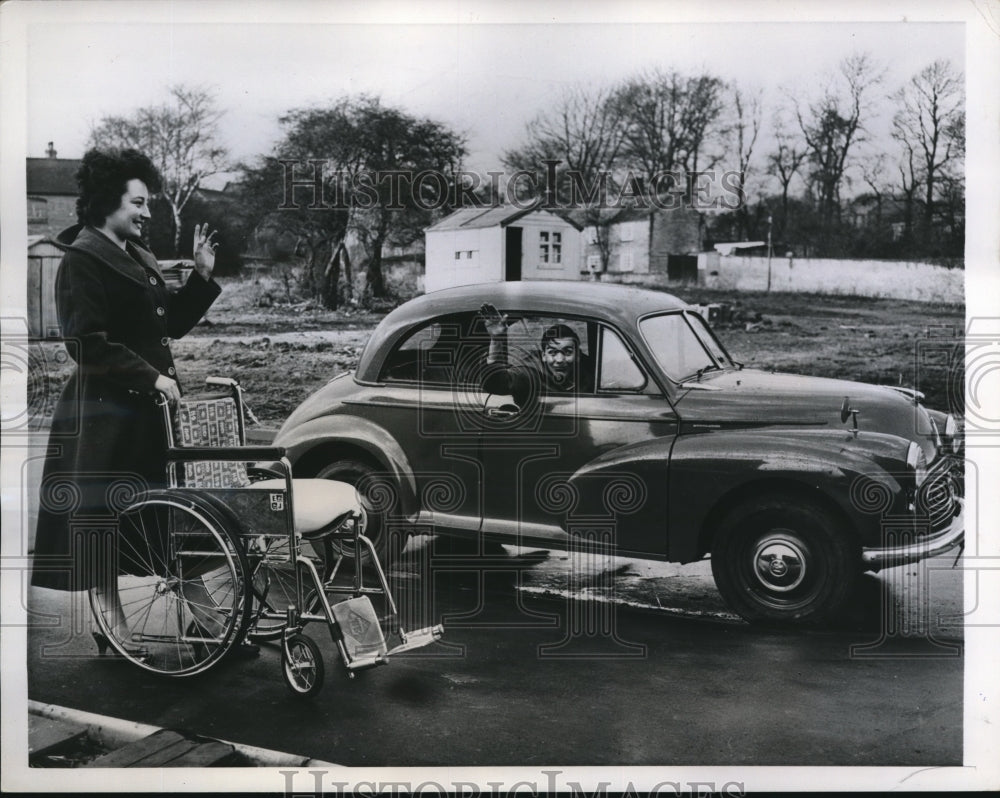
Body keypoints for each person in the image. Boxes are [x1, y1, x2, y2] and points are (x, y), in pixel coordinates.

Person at [31, 148, 223, 654]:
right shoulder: (81, 259)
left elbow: (166, 327)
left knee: (165, 514)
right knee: (103, 520)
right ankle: (108, 622)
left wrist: (201, 278)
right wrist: (152, 378)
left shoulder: (138, 255)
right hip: (104, 415)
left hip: (145, 412)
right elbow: (85, 343)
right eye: (139, 202)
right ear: (106, 203)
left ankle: (204, 617)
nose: (147, 213)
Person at [478, 302, 592, 406]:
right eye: (552, 352)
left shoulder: (589, 374)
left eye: (567, 352)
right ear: (543, 356)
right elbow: (495, 383)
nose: (560, 359)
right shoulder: (530, 374)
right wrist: (496, 340)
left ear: (578, 355)